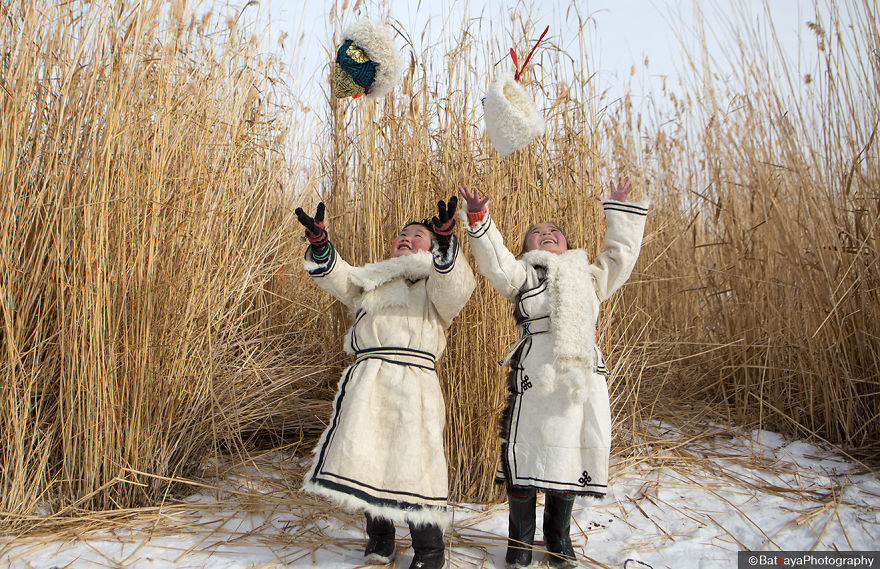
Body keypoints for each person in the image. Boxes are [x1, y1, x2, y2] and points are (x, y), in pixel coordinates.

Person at [458, 179, 648, 569]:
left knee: (569, 455)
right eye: (536, 233)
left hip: (580, 380)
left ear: (567, 244)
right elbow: (496, 264)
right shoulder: (523, 277)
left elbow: (619, 257)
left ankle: (559, 539)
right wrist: (480, 218)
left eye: (554, 232)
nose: (546, 235)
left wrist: (617, 213)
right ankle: (520, 543)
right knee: (525, 455)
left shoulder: (590, 276)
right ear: (527, 248)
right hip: (536, 376)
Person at [296, 197, 475, 569]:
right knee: (367, 455)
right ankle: (380, 537)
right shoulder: (373, 279)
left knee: (417, 463)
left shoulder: (435, 282)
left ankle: (430, 550)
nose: (407, 238)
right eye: (402, 234)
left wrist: (444, 244)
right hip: (369, 378)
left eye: (419, 235)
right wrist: (320, 245)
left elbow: (456, 289)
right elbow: (340, 277)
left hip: (415, 382)